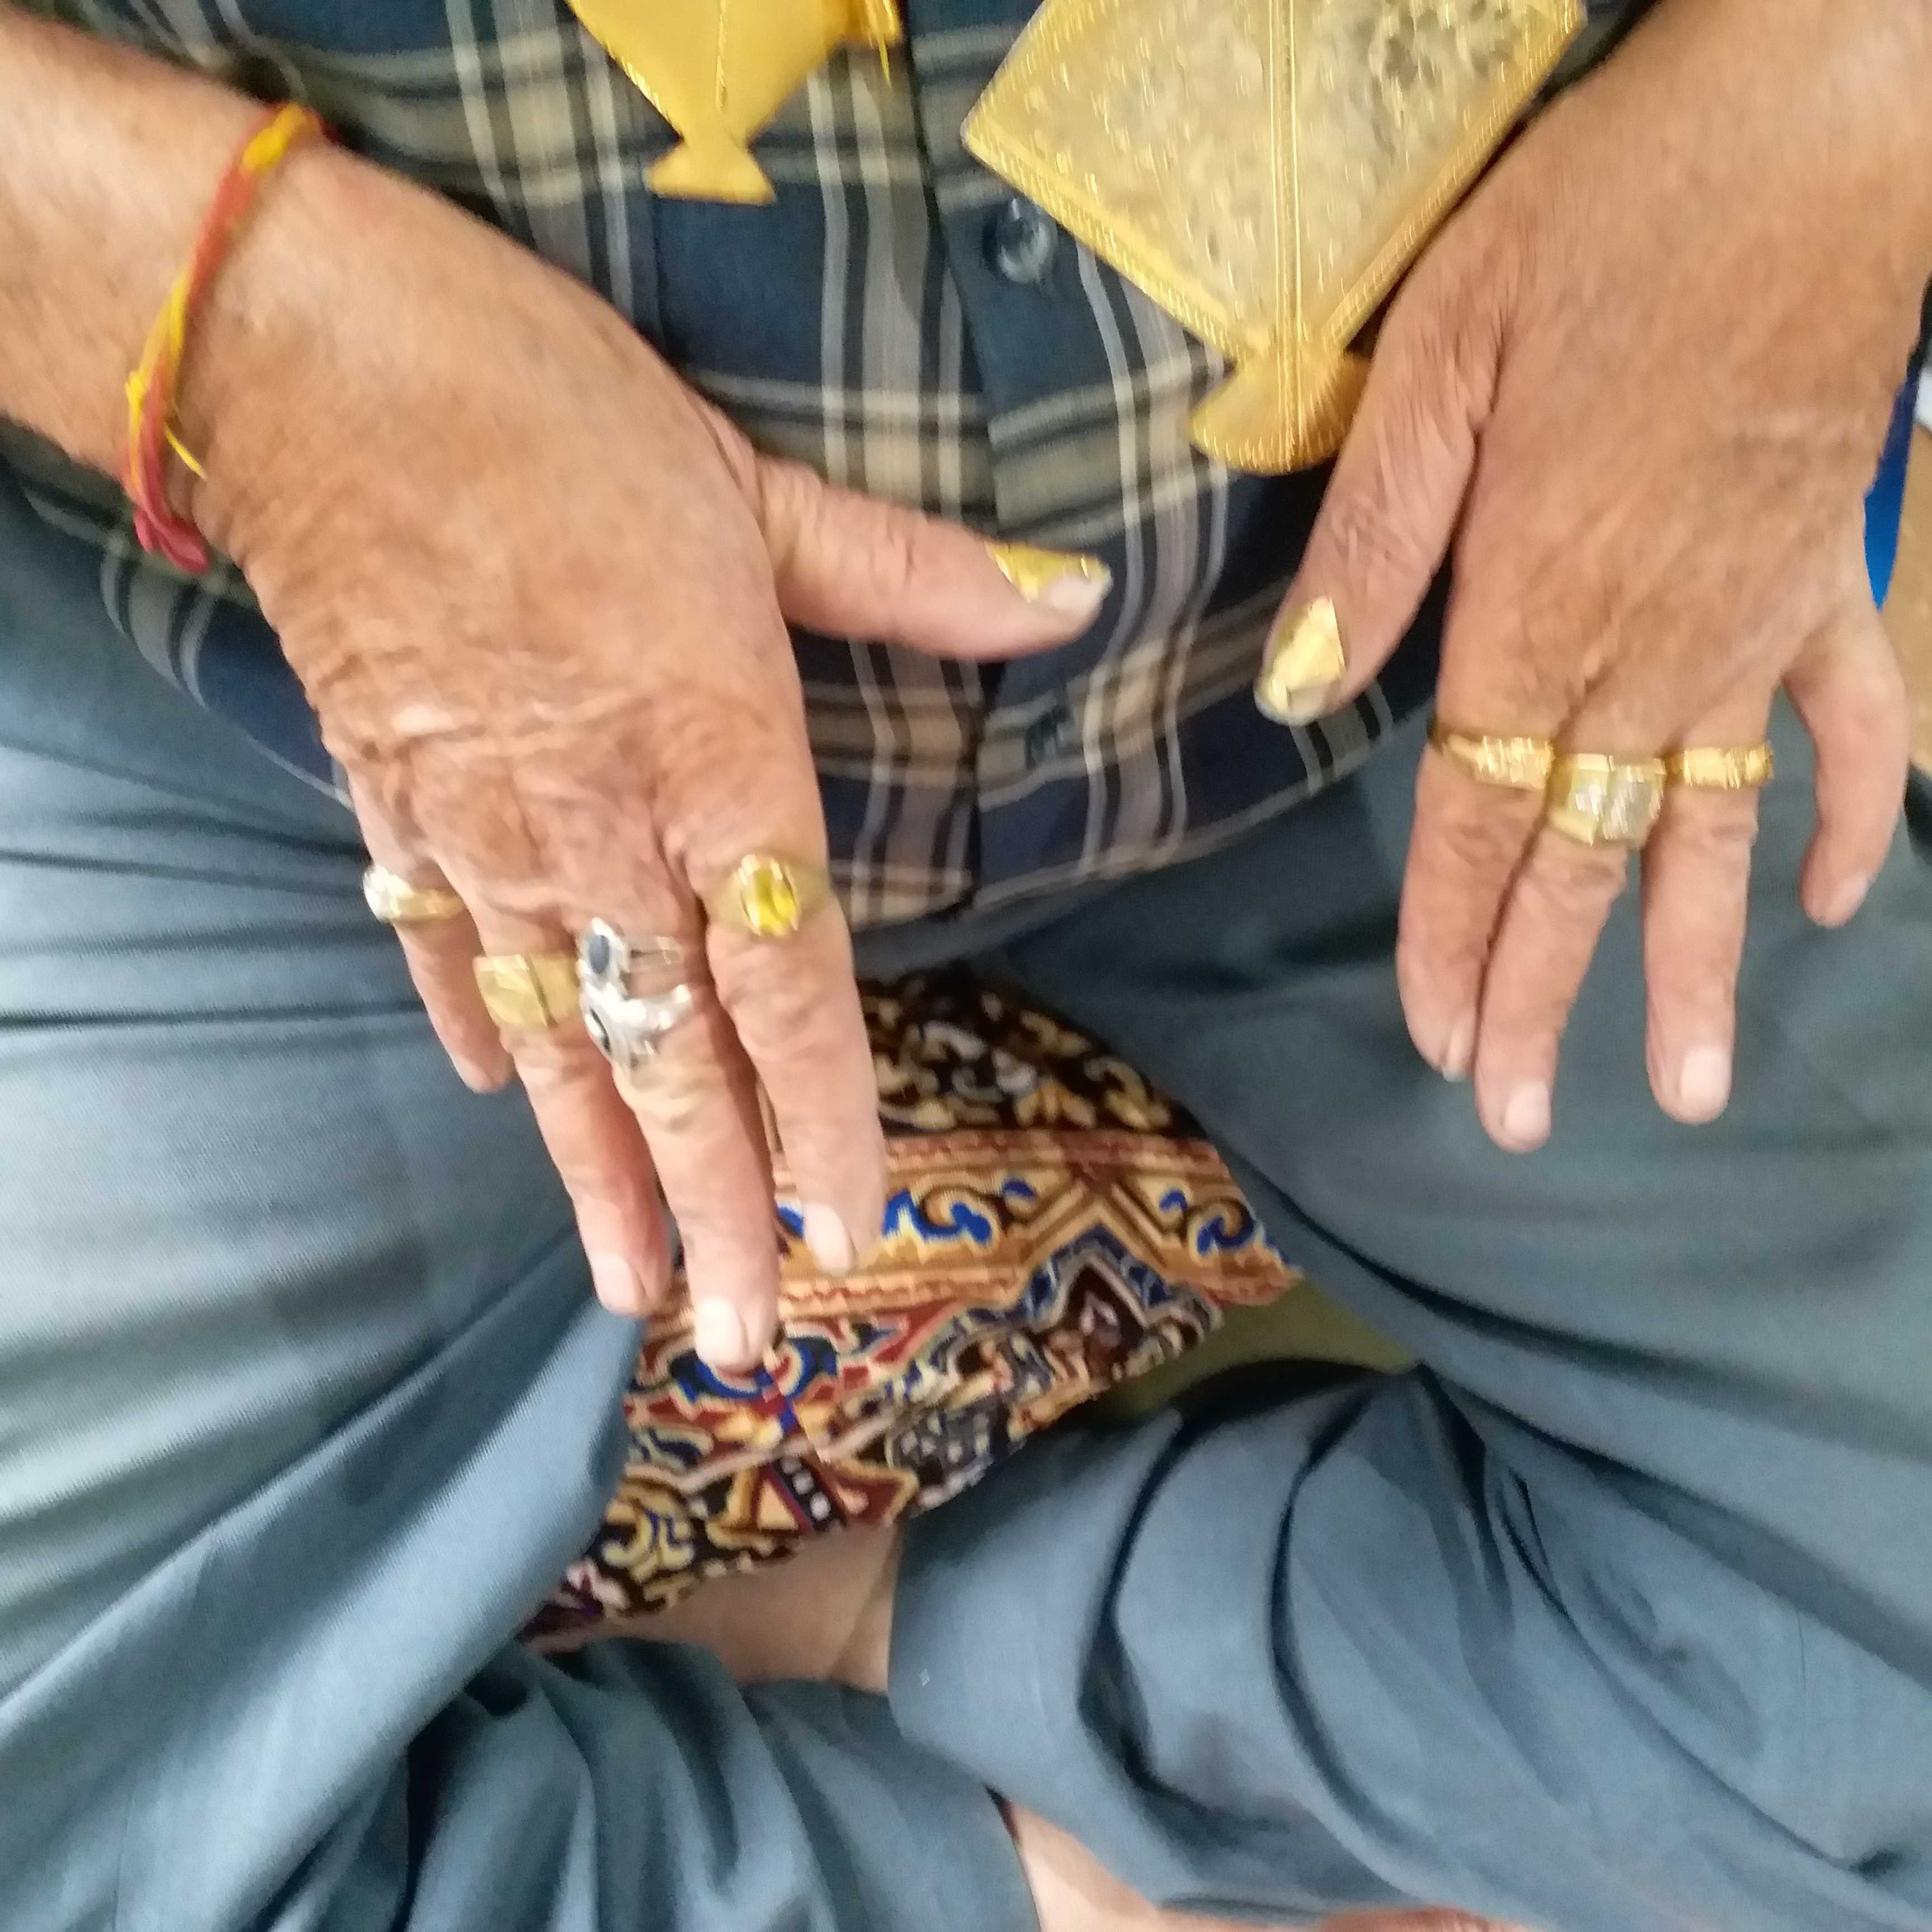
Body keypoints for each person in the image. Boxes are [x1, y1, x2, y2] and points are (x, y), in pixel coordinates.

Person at [0, 0, 1928, 1926]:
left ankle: (917, 1660)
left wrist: (1848, 93)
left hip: (1411, 589)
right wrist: (226, 328)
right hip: (286, 684)